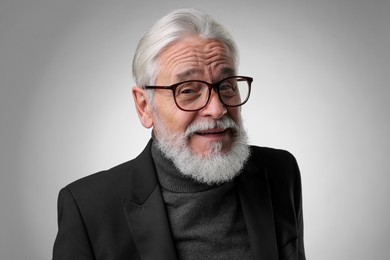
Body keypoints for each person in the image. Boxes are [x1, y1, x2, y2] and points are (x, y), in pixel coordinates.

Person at [53, 8, 305, 260]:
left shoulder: (280, 173)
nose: (217, 109)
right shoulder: (88, 208)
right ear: (144, 107)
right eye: (188, 90)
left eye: (226, 86)